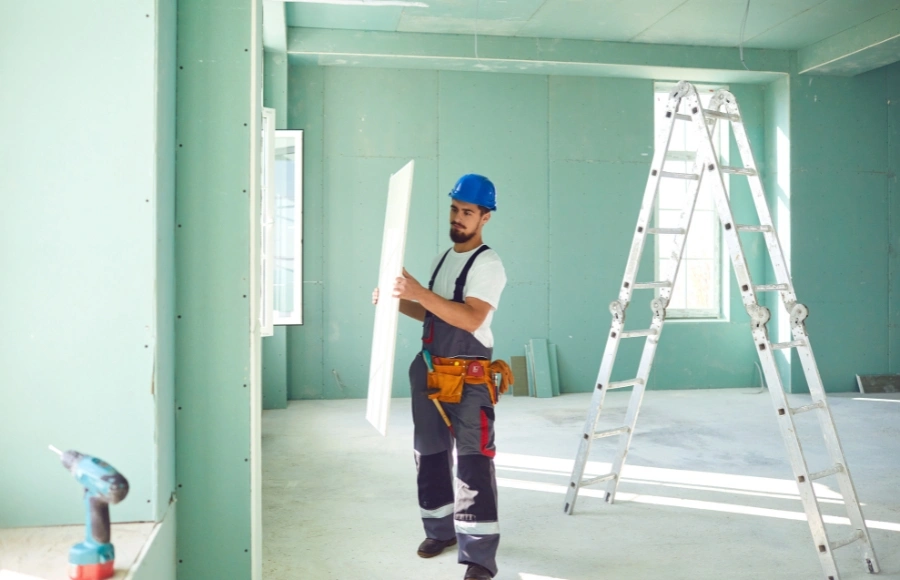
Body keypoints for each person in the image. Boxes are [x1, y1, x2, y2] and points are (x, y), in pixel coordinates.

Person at [374, 174, 507, 580]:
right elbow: (432, 312)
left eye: (468, 212)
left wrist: (418, 292)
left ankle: (479, 558)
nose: (458, 218)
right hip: (431, 372)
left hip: (468, 379)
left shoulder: (488, 264)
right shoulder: (441, 259)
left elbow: (470, 318)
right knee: (429, 454)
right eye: (454, 209)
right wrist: (397, 301)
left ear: (485, 217)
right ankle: (440, 530)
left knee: (472, 462)